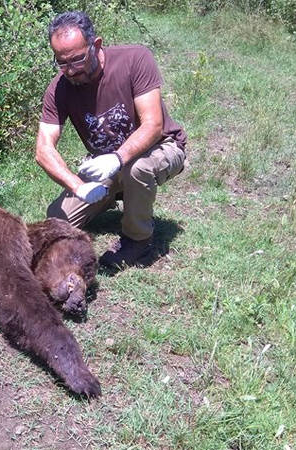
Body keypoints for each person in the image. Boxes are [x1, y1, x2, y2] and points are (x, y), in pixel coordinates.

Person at [36, 10, 187, 269]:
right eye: (62, 63)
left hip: (162, 147)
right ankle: (112, 195)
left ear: (96, 45)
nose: (70, 71)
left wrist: (117, 158)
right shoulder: (59, 88)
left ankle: (138, 241)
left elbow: (153, 125)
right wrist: (77, 186)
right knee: (57, 221)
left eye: (77, 60)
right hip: (107, 163)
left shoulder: (135, 59)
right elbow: (43, 149)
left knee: (137, 169)